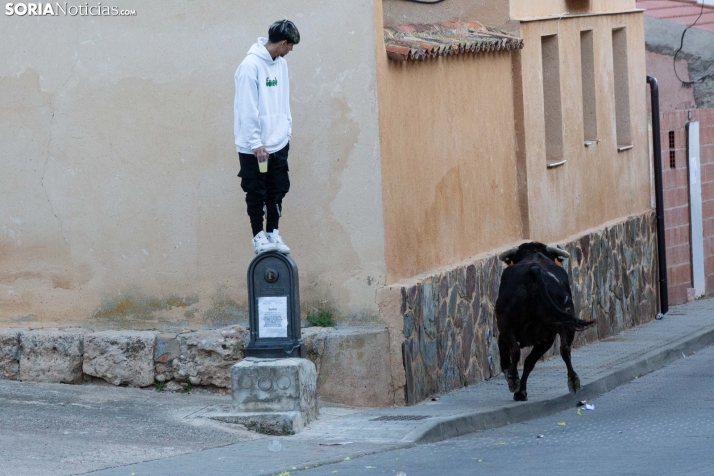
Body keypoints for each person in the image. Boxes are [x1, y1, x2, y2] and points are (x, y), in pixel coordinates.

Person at [234, 19, 300, 254]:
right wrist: (255, 143)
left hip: (279, 142)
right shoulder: (249, 66)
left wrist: (287, 130)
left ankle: (272, 232)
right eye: (290, 46)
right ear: (283, 42)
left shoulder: (281, 64)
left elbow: (283, 98)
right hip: (256, 149)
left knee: (277, 189)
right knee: (256, 191)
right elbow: (247, 108)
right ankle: (257, 235)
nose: (290, 50)